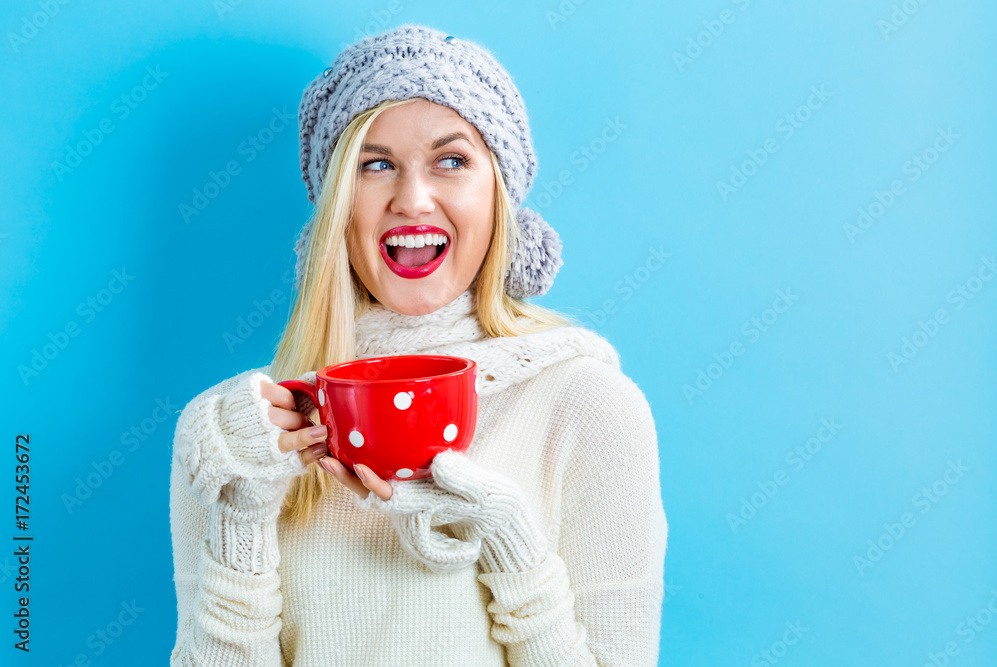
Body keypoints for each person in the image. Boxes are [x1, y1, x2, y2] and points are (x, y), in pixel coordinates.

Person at [169, 23, 667, 666]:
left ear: (498, 197)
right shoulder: (235, 435)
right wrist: (241, 517)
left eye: (452, 160)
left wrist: (511, 544)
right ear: (336, 208)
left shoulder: (590, 407)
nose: (412, 199)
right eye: (375, 165)